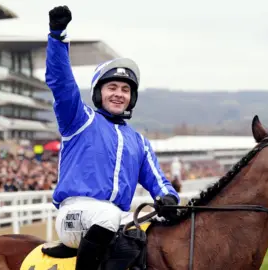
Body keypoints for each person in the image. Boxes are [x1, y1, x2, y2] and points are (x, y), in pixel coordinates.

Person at [46, 5, 181, 270]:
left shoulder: (139, 142)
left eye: (125, 90)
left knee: (150, 234)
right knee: (110, 217)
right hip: (74, 215)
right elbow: (61, 83)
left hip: (115, 219)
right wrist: (57, 36)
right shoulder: (79, 119)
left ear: (132, 98)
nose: (119, 94)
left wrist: (169, 199)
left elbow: (159, 181)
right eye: (112, 88)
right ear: (99, 93)